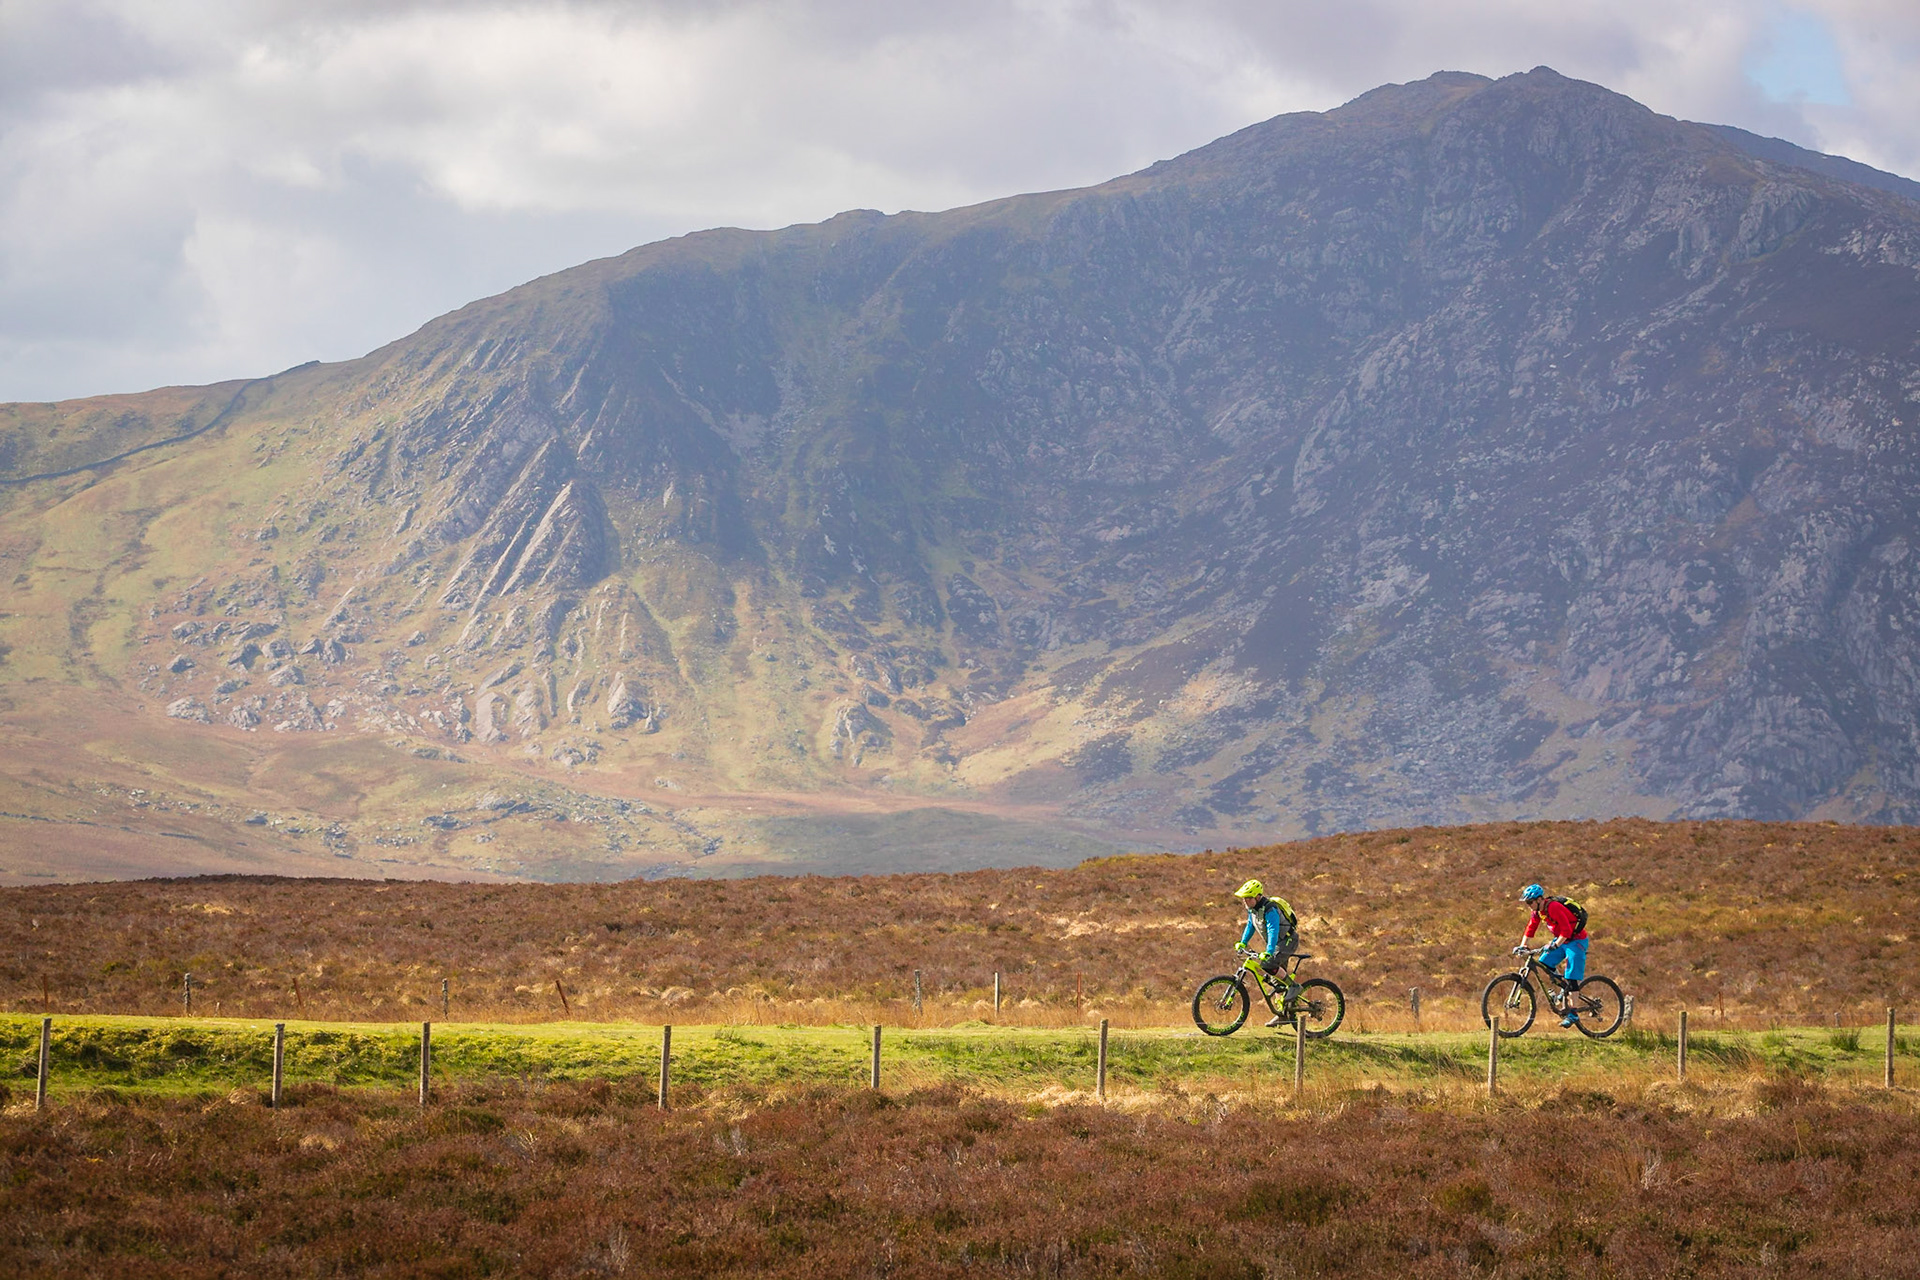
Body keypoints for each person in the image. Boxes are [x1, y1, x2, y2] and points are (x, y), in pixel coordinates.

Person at [1515, 883, 1589, 1027]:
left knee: (1571, 975)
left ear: (1539, 900)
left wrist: (1555, 945)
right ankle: (1564, 986)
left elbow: (1567, 930)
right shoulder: (1538, 911)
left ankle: (1573, 1013)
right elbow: (1531, 928)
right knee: (1544, 963)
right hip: (1561, 939)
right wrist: (1523, 945)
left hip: (1576, 940)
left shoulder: (1554, 907)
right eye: (1527, 903)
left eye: (1530, 902)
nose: (1529, 905)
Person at [1232, 879, 1299, 1028]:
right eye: (1244, 898)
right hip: (1278, 943)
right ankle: (1283, 1015)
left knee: (1268, 964)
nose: (1245, 901)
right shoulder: (1253, 910)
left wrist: (1269, 951)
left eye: (1248, 898)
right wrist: (1243, 942)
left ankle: (1294, 986)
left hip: (1288, 940)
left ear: (1257, 897)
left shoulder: (1270, 909)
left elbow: (1273, 930)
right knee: (1276, 980)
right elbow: (1250, 926)